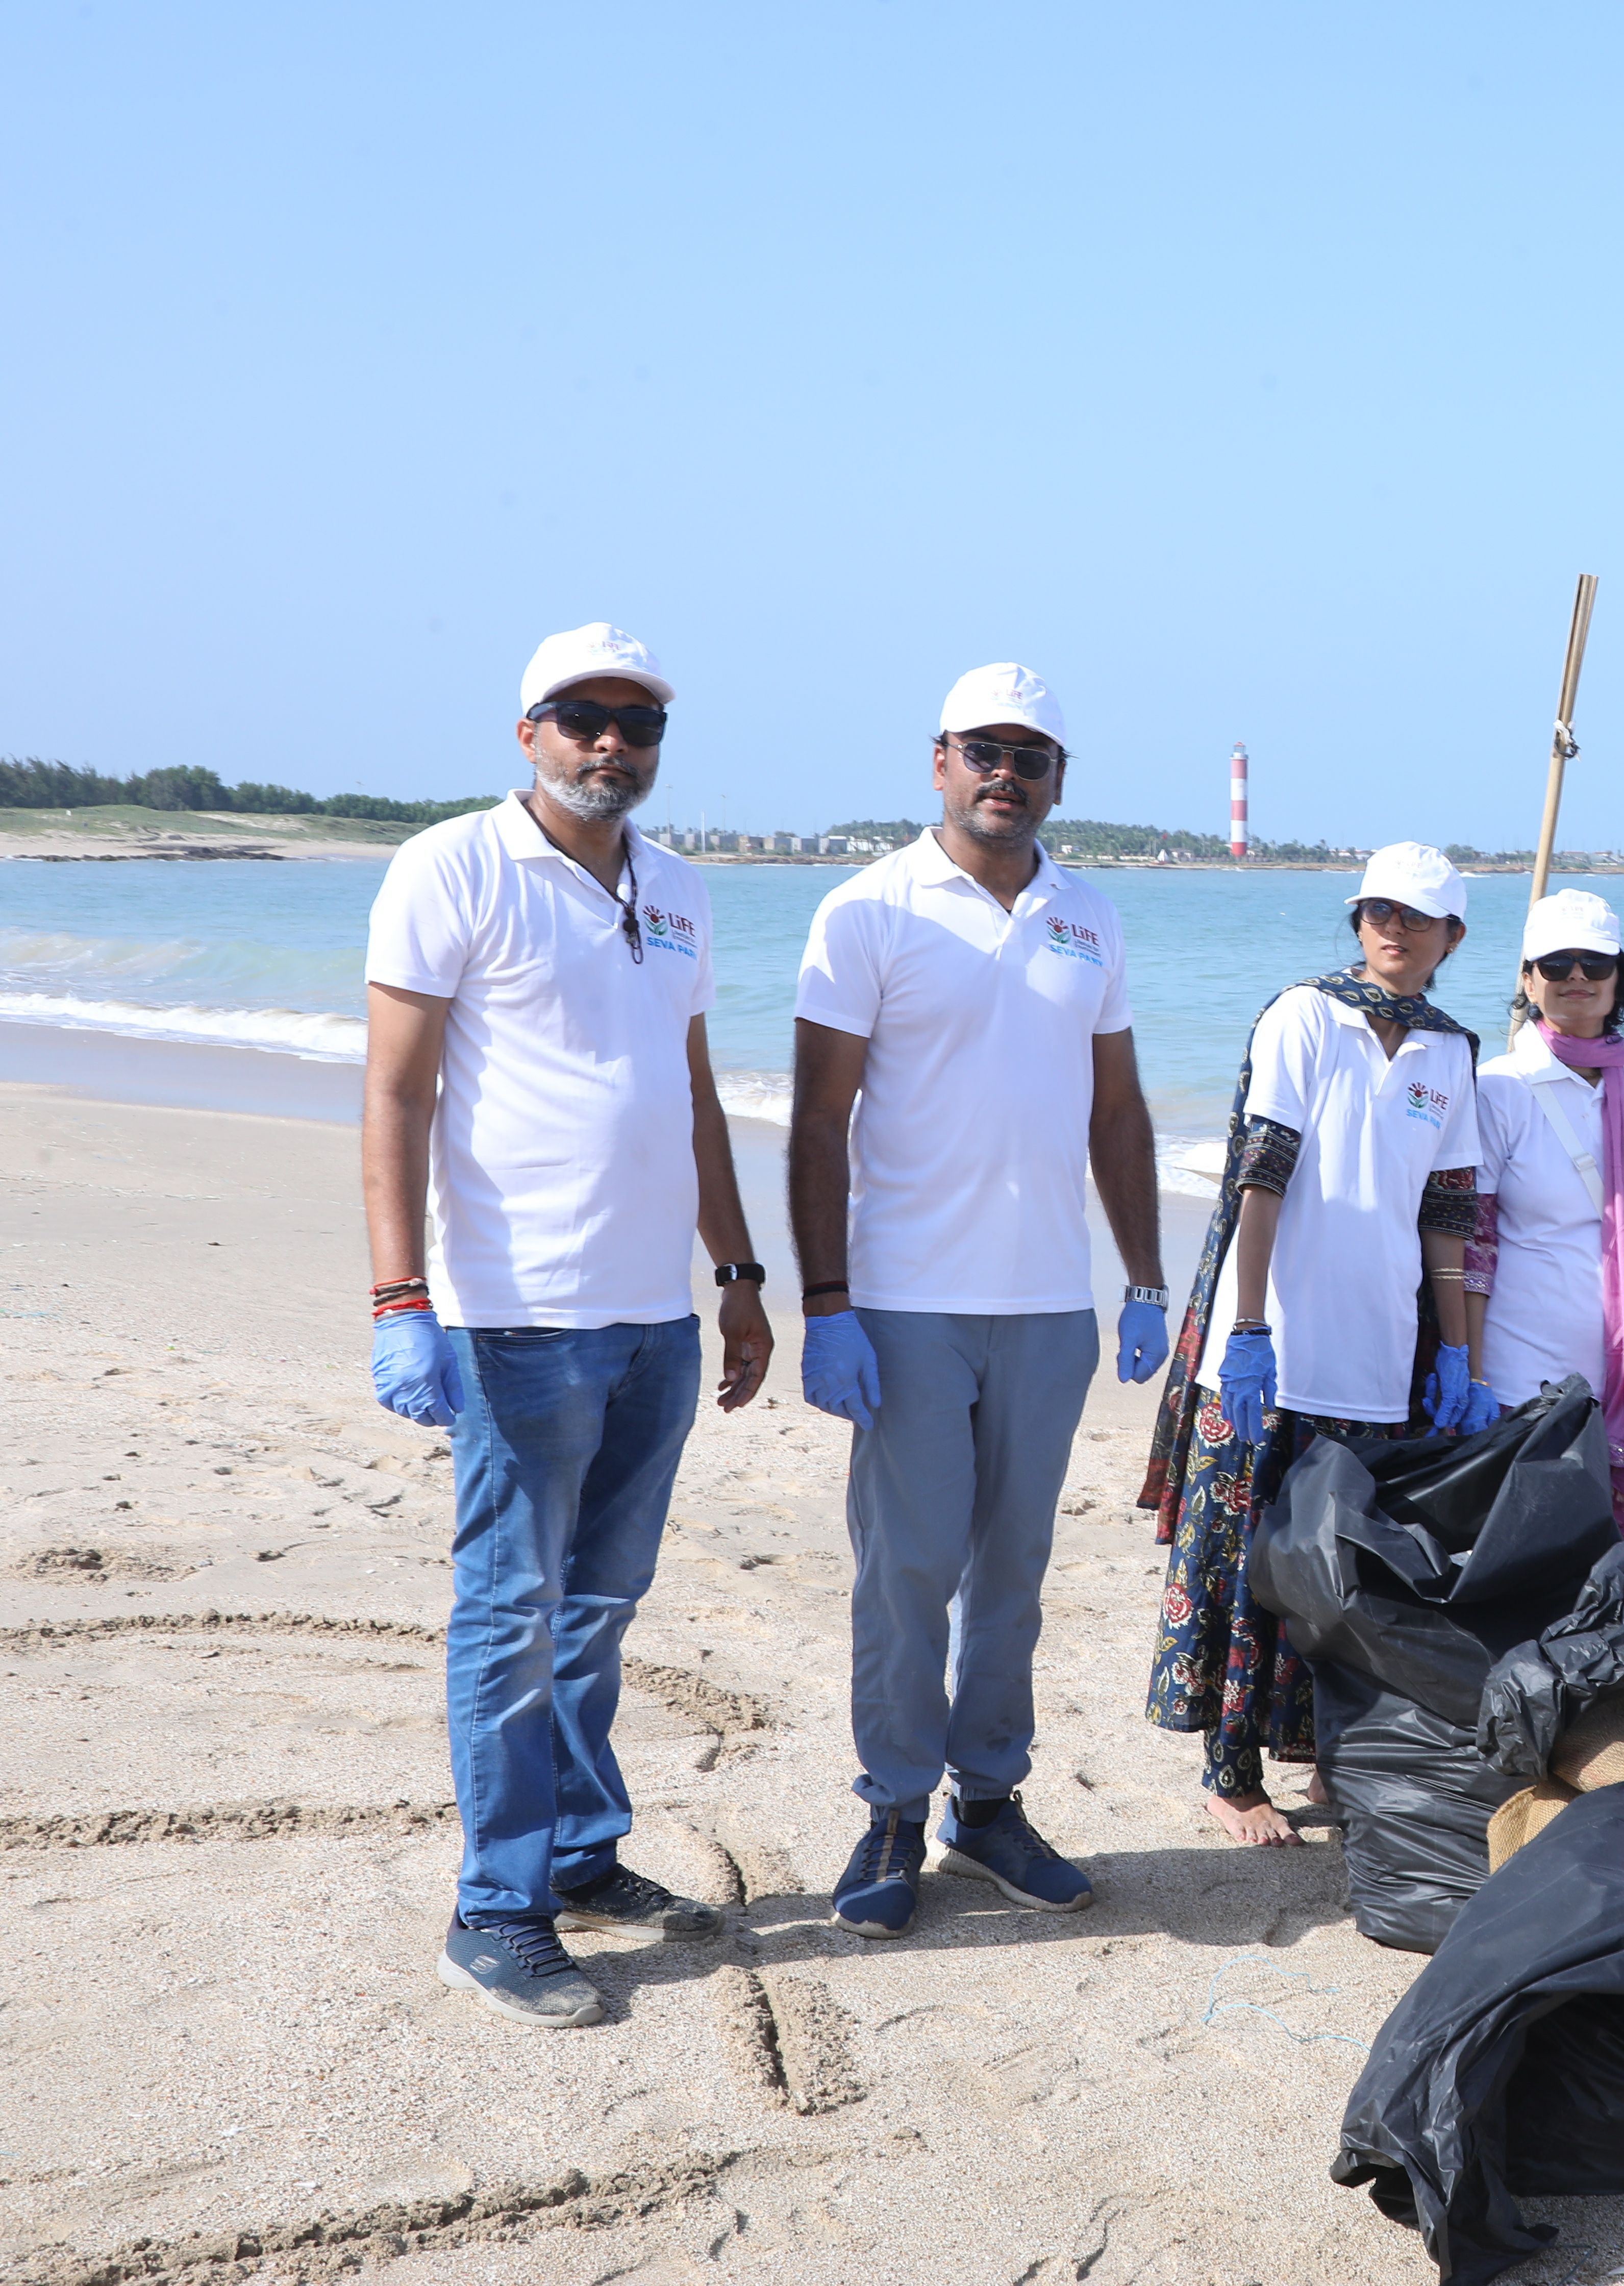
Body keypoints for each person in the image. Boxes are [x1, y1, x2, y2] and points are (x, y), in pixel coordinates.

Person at [362, 622, 770, 2029]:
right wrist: (400, 1300)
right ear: (527, 731)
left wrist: (738, 1275)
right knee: (512, 1615)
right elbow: (396, 1094)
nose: (611, 743)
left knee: (599, 1609)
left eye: (636, 723)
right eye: (582, 717)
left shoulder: (677, 889)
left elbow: (692, 1092)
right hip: (516, 1319)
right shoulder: (455, 866)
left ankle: (583, 1857)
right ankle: (497, 1910)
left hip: (656, 1319)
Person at [790, 664, 1165, 1939]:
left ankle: (988, 1804)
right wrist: (827, 1302)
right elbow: (818, 1120)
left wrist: (1145, 1280)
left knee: (1013, 1571)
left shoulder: (1088, 917)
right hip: (906, 1301)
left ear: (1058, 778)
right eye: (984, 750)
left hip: (1049, 1304)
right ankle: (895, 1810)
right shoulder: (869, 908)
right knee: (907, 1570)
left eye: (1032, 756)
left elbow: (1118, 1112)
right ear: (940, 760)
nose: (1007, 773)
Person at [1142, 843, 1488, 1847]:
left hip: (1377, 1352)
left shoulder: (1451, 1052)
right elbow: (1262, 1176)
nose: (1393, 928)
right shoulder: (1304, 1015)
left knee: (1343, 1574)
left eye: (1415, 916)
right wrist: (1249, 1327)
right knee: (1242, 1559)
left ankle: (1324, 1753)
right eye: (1377, 910)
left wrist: (1456, 1350)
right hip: (1274, 1348)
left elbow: (1447, 1215)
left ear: (1452, 935)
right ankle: (1230, 1771)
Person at [1465, 889, 1624, 1539]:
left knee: (1608, 1557)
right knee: (1517, 1551)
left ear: (1620, 978)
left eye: (1595, 964)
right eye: (1556, 963)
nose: (1576, 977)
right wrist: (1471, 1369)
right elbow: (1474, 1244)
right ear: (1528, 979)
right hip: (1519, 1371)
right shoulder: (1501, 1086)